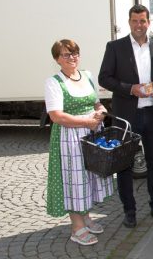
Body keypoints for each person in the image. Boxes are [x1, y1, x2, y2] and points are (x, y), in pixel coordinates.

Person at [99, 4, 153, 228]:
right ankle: (129, 211)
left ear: (149, 22)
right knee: (125, 165)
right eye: (135, 21)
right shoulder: (115, 47)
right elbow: (104, 78)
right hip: (126, 116)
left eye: (142, 21)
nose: (139, 25)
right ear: (129, 22)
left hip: (152, 114)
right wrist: (130, 89)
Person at [45, 39, 113, 246]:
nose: (71, 58)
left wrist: (101, 112)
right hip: (69, 136)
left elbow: (96, 103)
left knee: (89, 176)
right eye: (65, 54)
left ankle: (86, 217)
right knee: (74, 180)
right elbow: (56, 116)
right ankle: (76, 227)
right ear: (57, 59)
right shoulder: (54, 82)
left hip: (91, 132)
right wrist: (86, 122)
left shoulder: (87, 76)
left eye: (74, 53)